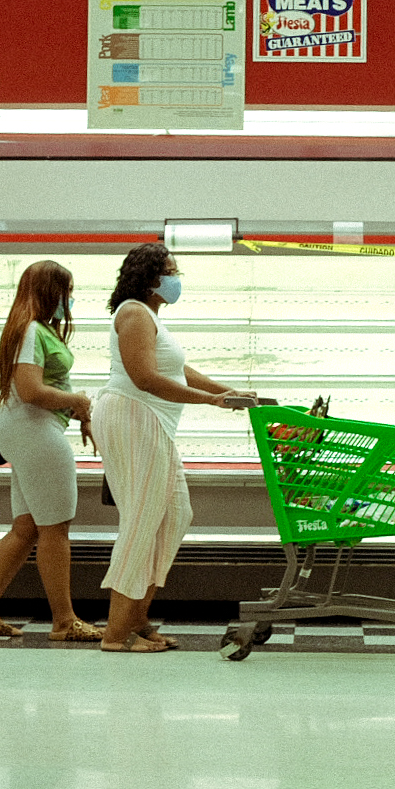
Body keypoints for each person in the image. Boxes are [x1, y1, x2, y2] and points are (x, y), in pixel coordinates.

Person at [93, 244, 253, 652]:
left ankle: (136, 619)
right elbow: (144, 378)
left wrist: (228, 393)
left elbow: (177, 369)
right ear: (149, 278)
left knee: (176, 513)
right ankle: (115, 635)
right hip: (132, 416)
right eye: (170, 270)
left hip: (150, 421)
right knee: (142, 520)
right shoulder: (133, 313)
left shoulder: (150, 318)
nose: (176, 278)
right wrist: (210, 401)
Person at [0, 261, 102, 642]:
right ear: (51, 292)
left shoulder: (33, 329)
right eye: (67, 292)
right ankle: (64, 621)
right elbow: (31, 390)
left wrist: (76, 409)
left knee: (26, 528)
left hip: (26, 431)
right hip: (36, 431)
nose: (71, 300)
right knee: (55, 528)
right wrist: (76, 399)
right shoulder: (31, 331)